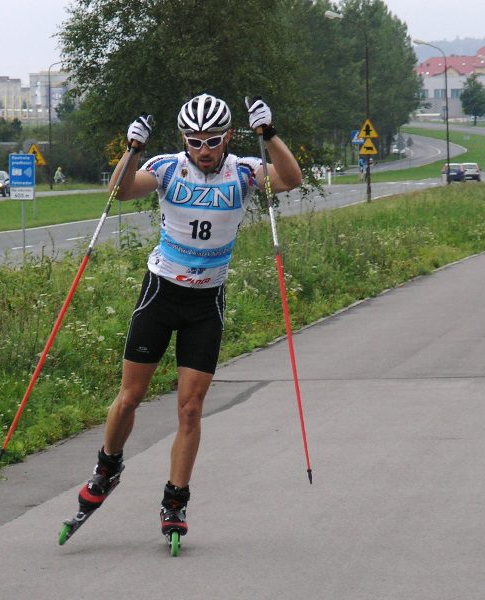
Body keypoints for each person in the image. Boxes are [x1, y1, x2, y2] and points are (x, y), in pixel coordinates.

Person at [67, 94, 302, 542]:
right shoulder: (168, 167)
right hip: (161, 293)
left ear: (228, 136)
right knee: (130, 396)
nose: (204, 149)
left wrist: (269, 135)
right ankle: (107, 466)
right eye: (194, 141)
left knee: (191, 408)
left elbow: (291, 179)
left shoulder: (245, 171)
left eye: (213, 140)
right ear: (184, 140)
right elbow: (118, 191)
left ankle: (175, 500)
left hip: (206, 302)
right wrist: (132, 148)